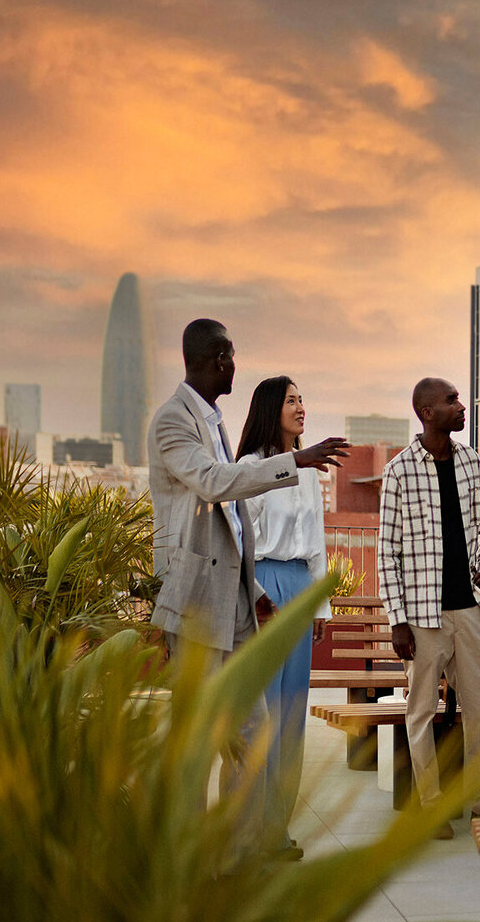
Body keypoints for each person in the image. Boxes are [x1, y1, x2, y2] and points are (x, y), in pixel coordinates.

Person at [147, 318, 348, 859]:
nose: (236, 365)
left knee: (257, 730)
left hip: (237, 598)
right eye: (231, 356)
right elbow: (214, 485)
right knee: (196, 741)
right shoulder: (174, 421)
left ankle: (241, 854)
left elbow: (235, 524)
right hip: (195, 603)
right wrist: (295, 461)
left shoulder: (210, 420)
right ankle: (186, 857)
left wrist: (250, 587)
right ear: (215, 359)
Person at [376, 376, 480, 838]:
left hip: (469, 610)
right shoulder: (398, 472)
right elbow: (386, 552)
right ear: (428, 413)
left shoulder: (471, 461)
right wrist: (397, 622)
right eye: (452, 401)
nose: (460, 405)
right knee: (422, 712)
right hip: (422, 617)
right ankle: (430, 806)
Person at [235, 375, 331, 856]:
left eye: (303, 399)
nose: (301, 407)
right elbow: (239, 543)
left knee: (293, 713)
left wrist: (321, 603)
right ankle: (250, 831)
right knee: (264, 714)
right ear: (271, 408)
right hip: (264, 592)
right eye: (292, 400)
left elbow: (316, 544)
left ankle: (278, 828)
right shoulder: (251, 468)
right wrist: (255, 595)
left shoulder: (309, 472)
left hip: (298, 588)